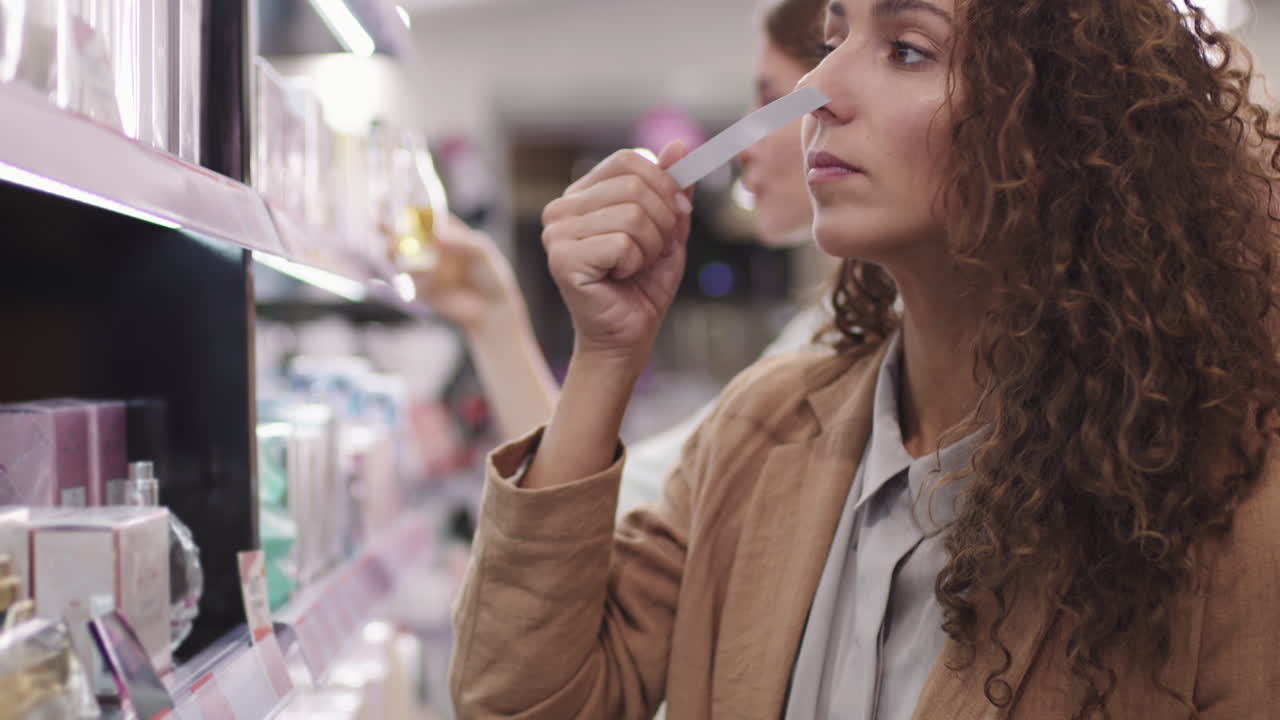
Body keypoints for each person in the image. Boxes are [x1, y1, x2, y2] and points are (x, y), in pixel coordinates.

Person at [450, 0, 1280, 718]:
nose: (818, 92)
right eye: (830, 42)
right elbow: (517, 702)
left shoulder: (1229, 504)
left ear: (1062, 128)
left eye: (907, 49)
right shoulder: (759, 431)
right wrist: (605, 354)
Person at [416, 0, 836, 514]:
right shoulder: (819, 336)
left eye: (769, 100)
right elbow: (623, 507)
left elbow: (619, 512)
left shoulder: (838, 352)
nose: (743, 144)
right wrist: (494, 318)